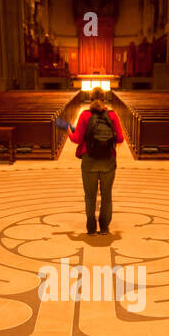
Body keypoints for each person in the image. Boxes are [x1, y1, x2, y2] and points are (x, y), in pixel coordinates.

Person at [68, 89, 124, 235]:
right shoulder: (111, 115)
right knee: (107, 196)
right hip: (108, 160)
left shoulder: (85, 115)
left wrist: (69, 132)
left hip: (89, 160)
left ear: (90, 98)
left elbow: (77, 139)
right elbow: (120, 139)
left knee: (90, 196)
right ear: (105, 98)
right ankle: (104, 228)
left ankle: (91, 229)